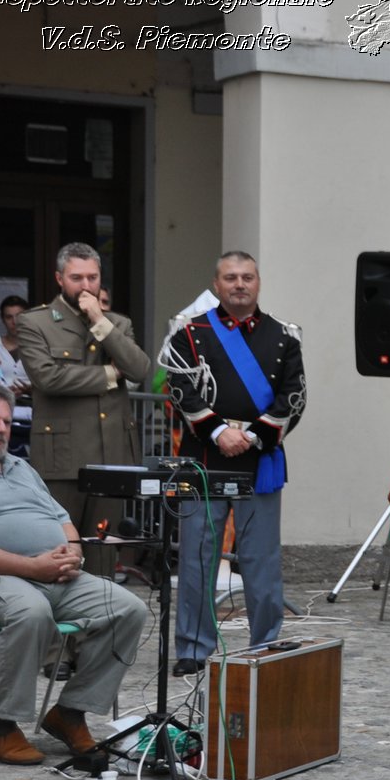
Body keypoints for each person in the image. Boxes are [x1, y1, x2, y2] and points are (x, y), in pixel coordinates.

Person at [0, 382, 147, 764]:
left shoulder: (21, 467)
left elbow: (62, 520)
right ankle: (3, 722)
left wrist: (72, 555)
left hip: (54, 574)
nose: (1, 429)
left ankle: (70, 713)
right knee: (31, 612)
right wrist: (32, 566)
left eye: (6, 421)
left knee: (127, 608)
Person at [158, 252, 304, 676]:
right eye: (230, 278)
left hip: (260, 461)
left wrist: (253, 436)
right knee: (196, 559)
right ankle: (192, 648)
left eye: (247, 277)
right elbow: (181, 388)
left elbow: (294, 398)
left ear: (258, 282)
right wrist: (220, 432)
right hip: (203, 458)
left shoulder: (284, 337)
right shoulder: (191, 333)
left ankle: (266, 645)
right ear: (217, 284)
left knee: (261, 562)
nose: (239, 284)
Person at [14, 242, 153, 575]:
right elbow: (48, 378)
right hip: (62, 456)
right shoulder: (36, 322)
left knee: (103, 553)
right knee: (60, 550)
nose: (86, 285)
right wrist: (108, 374)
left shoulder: (117, 323)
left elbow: (138, 369)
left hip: (113, 456)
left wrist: (98, 319)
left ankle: (103, 625)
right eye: (77, 277)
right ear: (60, 278)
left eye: (93, 277)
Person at [0, 295, 32, 457]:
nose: (14, 322)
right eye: (9, 317)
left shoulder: (38, 346)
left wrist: (32, 389)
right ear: (2, 319)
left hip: (31, 411)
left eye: (19, 316)